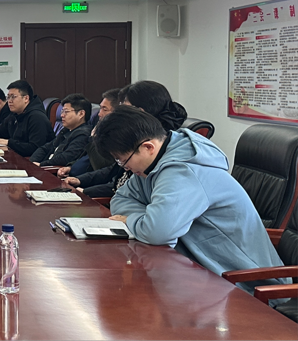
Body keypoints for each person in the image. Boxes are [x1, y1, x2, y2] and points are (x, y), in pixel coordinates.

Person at [94, 106, 287, 296]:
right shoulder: (151, 166)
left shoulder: (184, 171)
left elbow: (157, 233)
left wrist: (130, 220)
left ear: (148, 147)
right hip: (200, 269)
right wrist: (146, 218)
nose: (125, 168)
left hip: (245, 283)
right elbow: (120, 198)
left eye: (122, 160)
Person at [65, 81, 187, 198]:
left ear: (140, 112)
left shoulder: (159, 148)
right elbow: (118, 178)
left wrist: (86, 191)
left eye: (124, 108)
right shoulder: (136, 136)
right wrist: (81, 180)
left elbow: (123, 188)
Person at [57, 88, 120, 178]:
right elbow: (86, 157)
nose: (99, 114)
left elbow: (100, 166)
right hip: (73, 176)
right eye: (100, 108)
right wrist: (70, 167)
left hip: (88, 182)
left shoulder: (116, 138)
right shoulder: (102, 131)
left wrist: (93, 138)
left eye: (104, 109)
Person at [0, 80, 54, 157]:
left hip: (33, 161)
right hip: (17, 157)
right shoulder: (14, 114)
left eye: (13, 97)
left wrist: (8, 142)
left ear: (26, 98)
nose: (9, 101)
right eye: (8, 97)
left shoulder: (37, 117)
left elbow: (34, 148)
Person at [30, 93, 91, 166]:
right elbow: (45, 148)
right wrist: (32, 162)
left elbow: (65, 158)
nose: (62, 115)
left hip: (53, 170)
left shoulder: (83, 135)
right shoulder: (66, 130)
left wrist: (41, 165)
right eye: (62, 111)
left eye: (66, 112)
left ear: (81, 114)